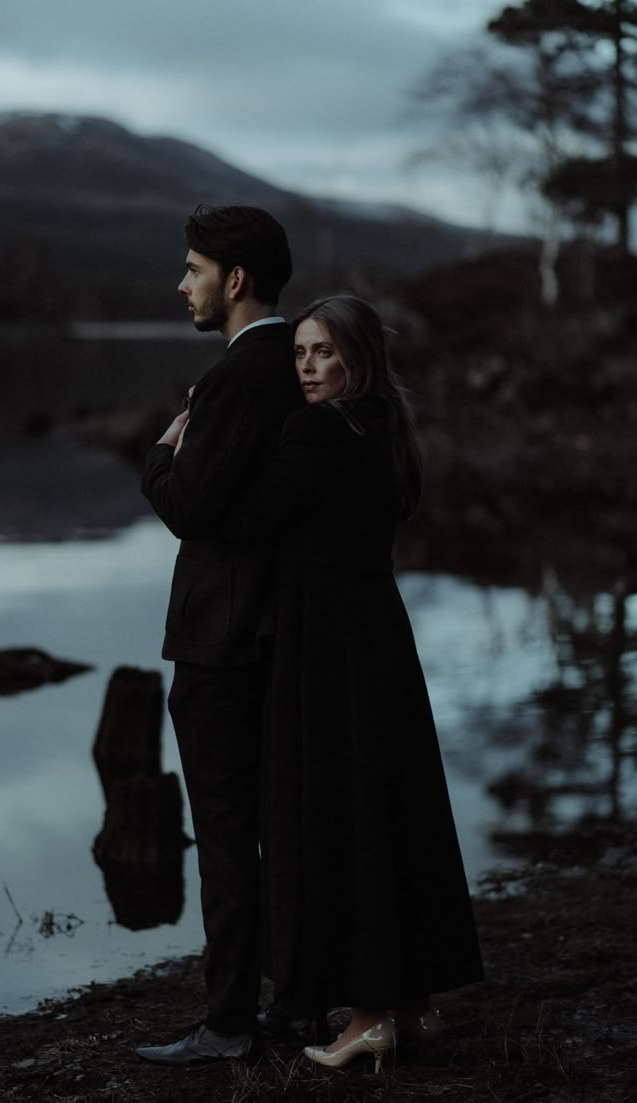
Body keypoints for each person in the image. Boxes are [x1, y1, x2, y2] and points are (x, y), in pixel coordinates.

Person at [213, 294, 484, 1071]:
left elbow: (246, 519)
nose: (306, 366)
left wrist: (180, 450)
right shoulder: (386, 428)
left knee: (345, 813)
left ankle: (368, 1016)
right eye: (299, 352)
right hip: (379, 637)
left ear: (356, 357)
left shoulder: (319, 429)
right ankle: (414, 1003)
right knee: (394, 806)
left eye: (323, 352)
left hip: (326, 646)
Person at [136, 204, 304, 1066]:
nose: (182, 284)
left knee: (228, 834)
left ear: (234, 281)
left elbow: (191, 506)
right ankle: (294, 1003)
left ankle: (231, 1020)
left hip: (221, 642)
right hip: (271, 634)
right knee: (276, 826)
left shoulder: (241, 376)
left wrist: (161, 454)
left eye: (193, 269)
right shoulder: (297, 366)